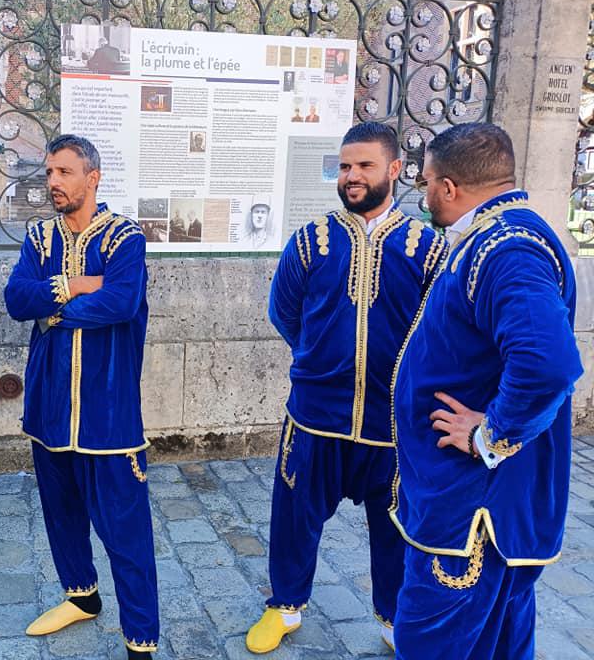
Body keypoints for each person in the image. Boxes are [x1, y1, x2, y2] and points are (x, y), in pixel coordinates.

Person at [246, 122, 448, 654]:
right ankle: (285, 607)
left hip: (392, 423)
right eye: (344, 166)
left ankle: (392, 620)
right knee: (294, 517)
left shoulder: (427, 248)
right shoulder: (311, 240)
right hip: (316, 414)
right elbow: (284, 311)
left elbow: (438, 331)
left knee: (395, 528)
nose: (352, 176)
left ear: (394, 170)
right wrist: (318, 359)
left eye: (364, 165)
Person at [390, 123, 582, 659]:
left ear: (448, 187)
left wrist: (490, 433)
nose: (423, 192)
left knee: (430, 642)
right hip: (484, 508)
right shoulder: (498, 236)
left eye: (426, 180)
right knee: (497, 642)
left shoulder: (507, 249)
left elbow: (548, 363)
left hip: (473, 517)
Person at [4, 134, 158, 659]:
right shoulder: (39, 237)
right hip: (48, 410)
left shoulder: (125, 238)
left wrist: (51, 312)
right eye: (49, 172)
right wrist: (75, 284)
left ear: (92, 178)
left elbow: (120, 302)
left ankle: (141, 640)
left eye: (64, 173)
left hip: (107, 414)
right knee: (61, 514)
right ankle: (81, 597)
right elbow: (15, 299)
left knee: (126, 533)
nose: (53, 183)